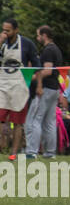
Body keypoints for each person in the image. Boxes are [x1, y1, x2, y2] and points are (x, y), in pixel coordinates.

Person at [0, 17, 39, 156]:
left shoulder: (27, 44)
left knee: (17, 122)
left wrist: (36, 83)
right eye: (3, 30)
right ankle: (2, 143)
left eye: (8, 31)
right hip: (3, 84)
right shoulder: (1, 43)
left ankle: (13, 153)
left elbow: (36, 66)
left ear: (16, 30)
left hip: (19, 87)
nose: (5, 33)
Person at [24, 25, 63, 159]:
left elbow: (47, 71)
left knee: (36, 119)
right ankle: (50, 152)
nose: (37, 38)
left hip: (45, 88)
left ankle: (32, 152)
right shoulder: (56, 49)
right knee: (50, 121)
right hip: (55, 89)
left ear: (44, 35)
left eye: (38, 35)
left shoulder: (48, 50)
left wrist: (30, 78)